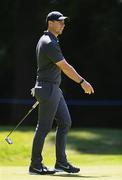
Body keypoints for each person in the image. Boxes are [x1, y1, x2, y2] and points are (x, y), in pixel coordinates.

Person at [29, 11, 94, 175]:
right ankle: (35, 165)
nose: (63, 25)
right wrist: (82, 82)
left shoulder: (52, 40)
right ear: (50, 23)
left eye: (64, 22)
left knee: (65, 122)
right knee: (44, 128)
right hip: (48, 89)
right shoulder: (48, 42)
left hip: (53, 89)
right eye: (60, 22)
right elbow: (65, 66)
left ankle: (61, 163)